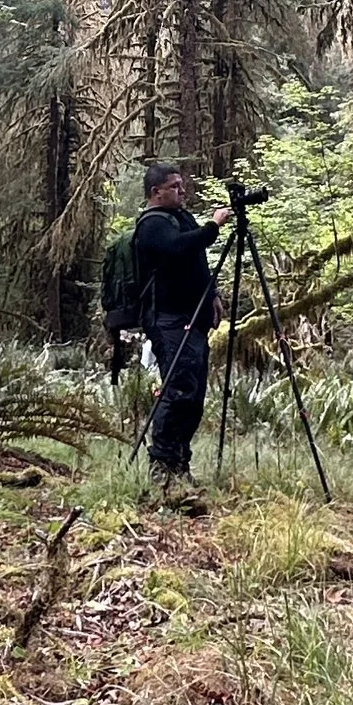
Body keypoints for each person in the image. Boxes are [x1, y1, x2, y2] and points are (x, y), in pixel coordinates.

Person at [128, 161, 226, 499]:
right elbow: (178, 248)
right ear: (156, 192)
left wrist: (212, 295)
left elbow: (196, 262)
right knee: (178, 389)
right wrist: (213, 226)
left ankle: (180, 463)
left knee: (193, 394)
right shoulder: (152, 224)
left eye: (182, 185)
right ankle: (162, 467)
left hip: (193, 317)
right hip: (167, 319)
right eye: (174, 187)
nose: (182, 191)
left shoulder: (180, 218)